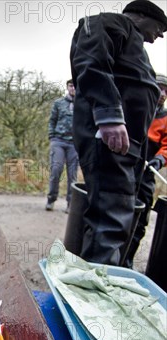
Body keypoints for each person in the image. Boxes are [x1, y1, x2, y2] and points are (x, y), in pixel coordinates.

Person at [70, 0, 167, 265]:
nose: (158, 37)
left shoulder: (132, 40)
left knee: (118, 211)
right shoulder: (110, 23)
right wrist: (109, 115)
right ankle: (96, 289)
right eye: (159, 29)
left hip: (126, 147)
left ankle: (105, 272)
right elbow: (91, 61)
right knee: (110, 215)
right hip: (107, 139)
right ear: (142, 16)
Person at [123, 73, 167, 268]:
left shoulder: (165, 119)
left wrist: (159, 159)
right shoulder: (135, 108)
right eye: (160, 87)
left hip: (147, 173)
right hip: (125, 168)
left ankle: (127, 259)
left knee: (141, 219)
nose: (163, 93)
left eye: (166, 90)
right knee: (118, 211)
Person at [46, 79, 78, 213]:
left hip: (74, 144)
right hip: (59, 141)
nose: (73, 89)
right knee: (56, 170)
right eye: (71, 86)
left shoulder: (82, 104)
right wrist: (52, 136)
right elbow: (52, 120)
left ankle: (71, 204)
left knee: (72, 175)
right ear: (67, 87)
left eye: (75, 86)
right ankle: (51, 199)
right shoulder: (59, 103)